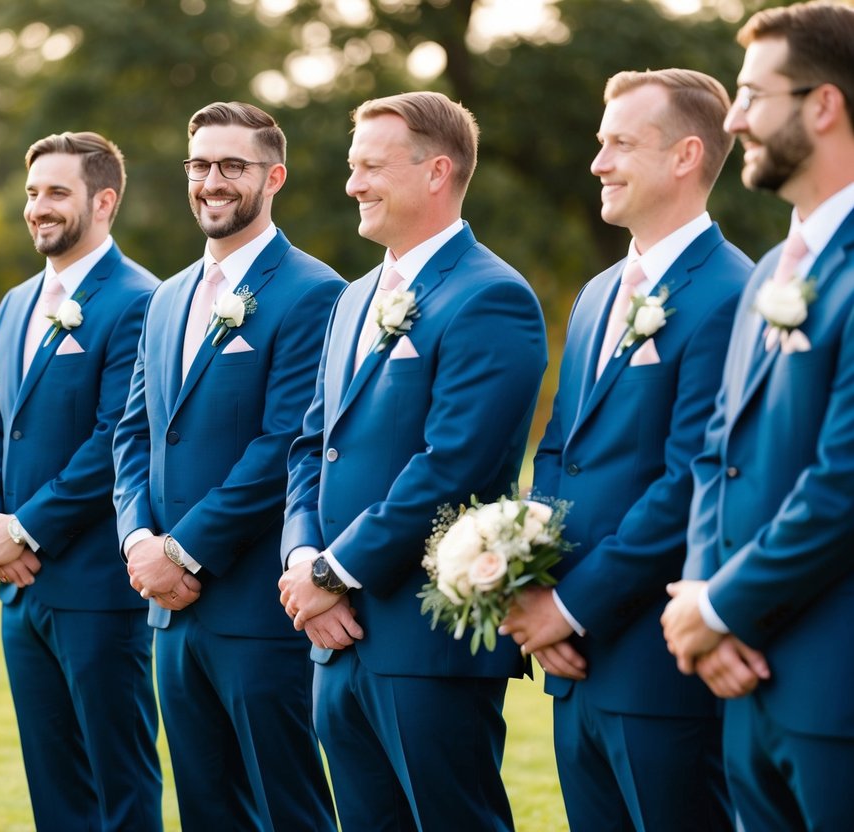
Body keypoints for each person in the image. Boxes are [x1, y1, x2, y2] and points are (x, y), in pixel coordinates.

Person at [279, 91, 547, 831]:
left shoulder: (490, 297)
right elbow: (312, 445)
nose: (351, 183)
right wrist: (304, 558)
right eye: (350, 165)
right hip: (334, 639)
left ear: (435, 172)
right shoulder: (353, 298)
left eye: (369, 166)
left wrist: (335, 572)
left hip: (426, 642)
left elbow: (451, 466)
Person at [499, 69, 750, 831]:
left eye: (618, 144)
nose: (596, 163)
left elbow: (687, 483)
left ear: (683, 156)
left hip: (657, 663)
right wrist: (531, 582)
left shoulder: (731, 294)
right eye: (598, 143)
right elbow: (556, 452)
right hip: (574, 660)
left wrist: (571, 608)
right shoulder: (599, 292)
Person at [111, 101, 341, 831]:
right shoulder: (167, 297)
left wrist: (185, 550)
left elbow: (282, 445)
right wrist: (138, 541)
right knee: (206, 812)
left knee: (287, 808)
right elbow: (133, 434)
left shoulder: (313, 292)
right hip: (169, 613)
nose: (212, 181)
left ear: (273, 176)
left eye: (231, 166)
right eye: (200, 165)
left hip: (255, 609)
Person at [661, 3, 854, 829]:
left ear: (821, 105)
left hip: (837, 682)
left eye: (750, 94)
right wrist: (704, 587)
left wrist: (715, 609)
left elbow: (842, 481)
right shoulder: (776, 265)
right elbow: (718, 448)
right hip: (741, 680)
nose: (733, 118)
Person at [0, 132, 162, 831]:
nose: (37, 208)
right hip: (20, 587)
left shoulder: (140, 300)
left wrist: (26, 527)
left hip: (97, 588)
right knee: (52, 785)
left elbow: (114, 438)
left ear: (103, 201)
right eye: (31, 193)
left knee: (120, 780)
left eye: (56, 193)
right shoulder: (15, 302)